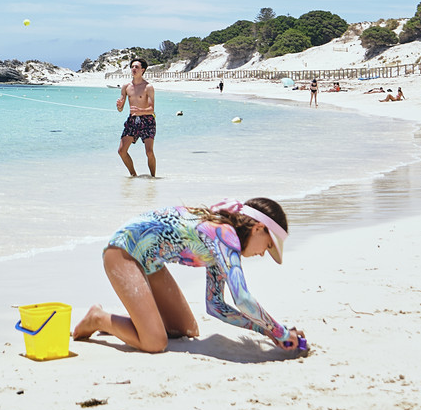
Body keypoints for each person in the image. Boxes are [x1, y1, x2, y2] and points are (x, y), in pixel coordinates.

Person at [74, 197, 308, 355]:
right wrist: (280, 332)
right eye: (267, 246)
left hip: (150, 262)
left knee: (186, 331)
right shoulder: (224, 234)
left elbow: (215, 306)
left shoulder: (223, 245)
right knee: (155, 342)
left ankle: (138, 320)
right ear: (258, 228)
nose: (262, 254)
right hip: (124, 251)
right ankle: (98, 318)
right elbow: (243, 299)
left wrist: (266, 330)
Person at [117, 59, 158, 178]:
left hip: (147, 120)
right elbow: (121, 108)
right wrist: (119, 106)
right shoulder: (126, 87)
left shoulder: (148, 87)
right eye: (132, 67)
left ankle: (153, 178)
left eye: (136, 67)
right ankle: (133, 175)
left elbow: (151, 109)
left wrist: (141, 111)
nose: (133, 69)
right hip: (132, 120)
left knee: (149, 152)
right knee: (121, 151)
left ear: (143, 70)